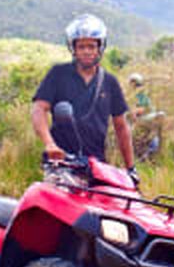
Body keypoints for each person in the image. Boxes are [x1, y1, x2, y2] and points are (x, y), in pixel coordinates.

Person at [31, 14, 137, 181]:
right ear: (73, 49)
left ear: (100, 48)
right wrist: (49, 144)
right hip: (62, 164)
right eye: (81, 47)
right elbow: (39, 109)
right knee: (56, 203)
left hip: (97, 166)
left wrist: (131, 169)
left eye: (91, 46)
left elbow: (121, 126)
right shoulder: (58, 74)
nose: (87, 51)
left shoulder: (110, 82)